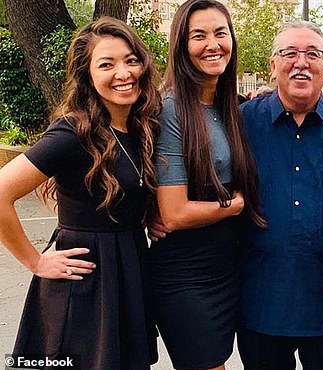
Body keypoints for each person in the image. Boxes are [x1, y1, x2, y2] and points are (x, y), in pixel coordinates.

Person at [0, 17, 161, 369]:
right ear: (87, 75)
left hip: (127, 270)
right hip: (84, 281)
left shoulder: (140, 127)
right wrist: (35, 261)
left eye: (131, 59)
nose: (124, 72)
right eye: (107, 64)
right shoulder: (73, 132)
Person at [237, 21, 323, 370]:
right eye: (289, 53)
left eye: (313, 54)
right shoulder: (241, 124)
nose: (301, 62)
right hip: (257, 300)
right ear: (272, 66)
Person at [146, 1, 265, 369]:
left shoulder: (230, 106)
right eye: (199, 35)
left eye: (220, 33)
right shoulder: (171, 109)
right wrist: (236, 205)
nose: (212, 44)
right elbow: (175, 213)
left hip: (227, 267)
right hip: (186, 276)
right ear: (181, 46)